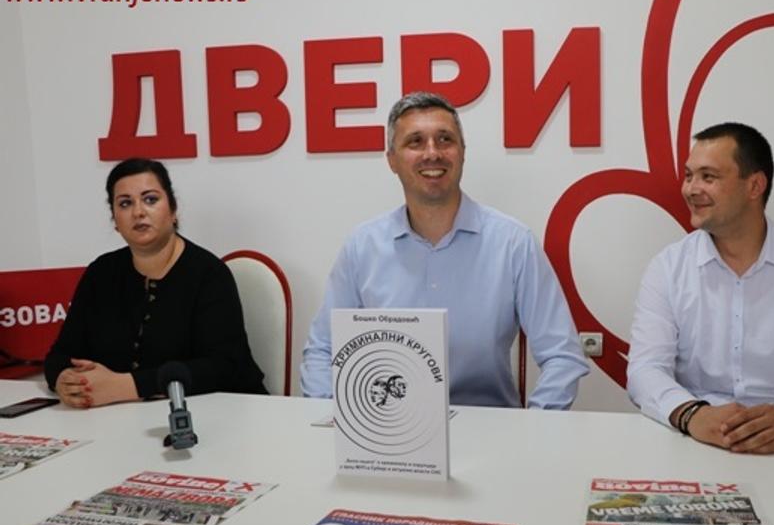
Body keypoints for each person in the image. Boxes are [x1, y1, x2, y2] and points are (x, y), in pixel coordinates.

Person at [301, 92, 589, 408]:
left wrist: (533, 426)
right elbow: (323, 350)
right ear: (392, 160)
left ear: (462, 153)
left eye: (444, 139)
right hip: (388, 437)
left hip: (490, 431)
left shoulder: (512, 243)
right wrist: (334, 418)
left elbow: (562, 356)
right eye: (415, 142)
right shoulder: (362, 247)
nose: (432, 153)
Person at [627, 122, 774, 453]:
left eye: (708, 177)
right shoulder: (667, 268)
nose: (691, 189)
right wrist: (692, 414)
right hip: (690, 444)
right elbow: (644, 369)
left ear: (754, 186)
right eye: (689, 175)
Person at [44, 159, 267, 407]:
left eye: (150, 199)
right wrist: (64, 378)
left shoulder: (209, 273)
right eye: (125, 203)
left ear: (173, 210)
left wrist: (126, 386)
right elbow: (60, 355)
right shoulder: (100, 273)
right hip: (121, 421)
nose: (138, 212)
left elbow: (224, 367)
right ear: (115, 221)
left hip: (222, 416)